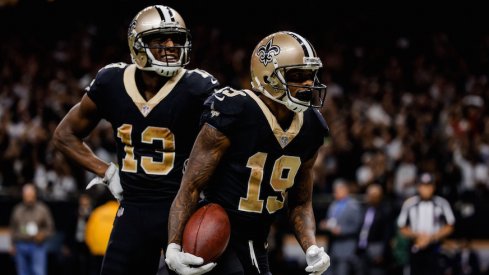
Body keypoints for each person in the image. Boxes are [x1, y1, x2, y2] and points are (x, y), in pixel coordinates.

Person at [52, 5, 220, 275]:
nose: (171, 45)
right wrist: (106, 172)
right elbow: (64, 135)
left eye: (176, 39)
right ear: (137, 44)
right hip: (133, 209)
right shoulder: (112, 82)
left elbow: (232, 141)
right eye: (160, 39)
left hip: (182, 209)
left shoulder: (197, 87)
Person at [165, 31, 331, 275]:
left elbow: (300, 202)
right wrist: (174, 245)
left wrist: (311, 246)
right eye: (297, 75)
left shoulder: (312, 126)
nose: (307, 84)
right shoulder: (235, 110)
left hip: (257, 240)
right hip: (214, 231)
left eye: (310, 76)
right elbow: (190, 185)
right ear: (268, 77)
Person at [397, 172, 455, 275]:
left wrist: (431, 238)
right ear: (418, 187)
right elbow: (401, 226)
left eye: (429, 186)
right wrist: (417, 236)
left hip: (436, 247)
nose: (426, 189)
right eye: (423, 186)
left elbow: (450, 226)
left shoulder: (442, 203)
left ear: (434, 187)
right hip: (416, 245)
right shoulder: (410, 203)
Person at [9, 183, 55, 275]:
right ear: (23, 196)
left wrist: (43, 234)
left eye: (31, 195)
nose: (29, 198)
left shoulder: (42, 209)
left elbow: (50, 228)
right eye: (27, 196)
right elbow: (13, 228)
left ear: (35, 195)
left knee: (38, 272)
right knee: (22, 272)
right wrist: (12, 244)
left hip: (37, 245)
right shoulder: (17, 209)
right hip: (20, 245)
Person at [319, 179, 362, 275]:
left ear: (345, 190)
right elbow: (331, 221)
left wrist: (342, 230)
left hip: (347, 246)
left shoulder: (353, 205)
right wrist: (325, 224)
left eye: (337, 190)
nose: (335, 193)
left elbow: (357, 226)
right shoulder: (333, 205)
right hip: (333, 246)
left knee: (342, 272)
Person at [356, 183, 394, 275]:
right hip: (362, 249)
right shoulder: (364, 209)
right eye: (369, 195)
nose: (371, 197)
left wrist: (383, 253)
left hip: (377, 248)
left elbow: (387, 234)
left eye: (374, 195)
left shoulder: (385, 210)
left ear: (380, 196)